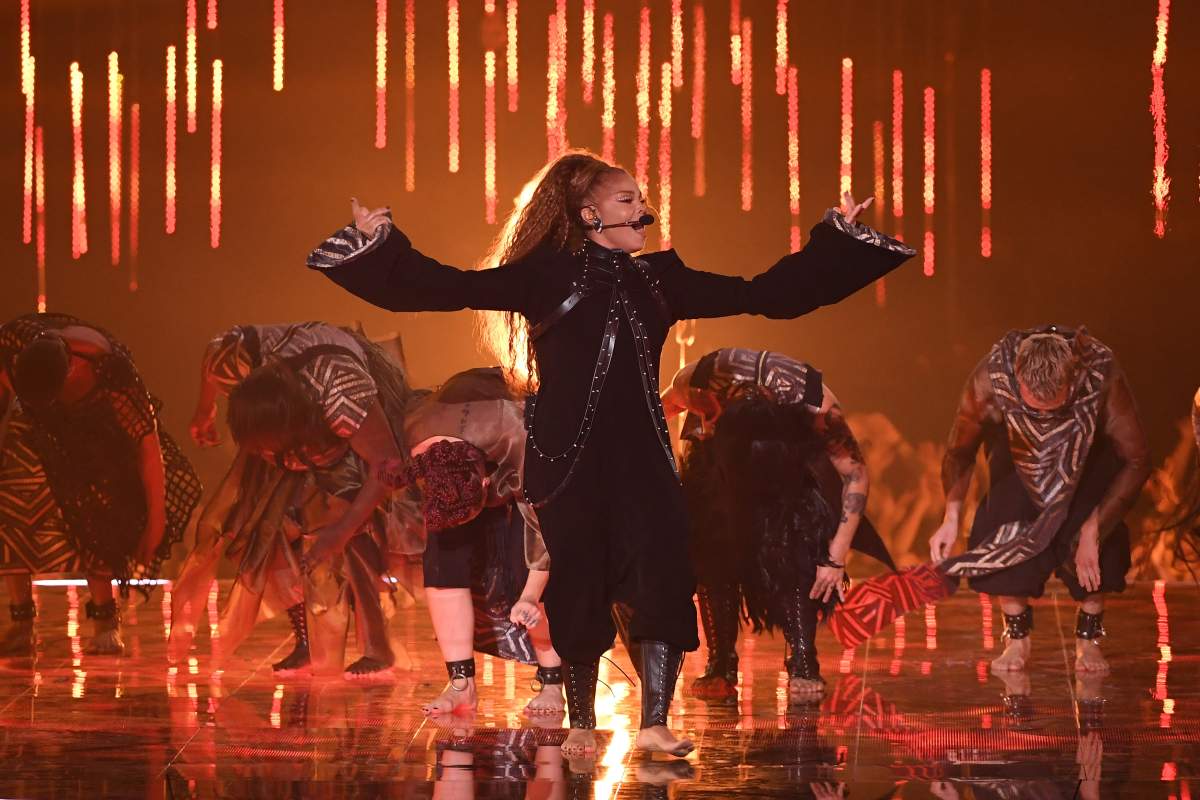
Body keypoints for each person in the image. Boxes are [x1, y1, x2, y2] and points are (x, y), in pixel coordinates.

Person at [305, 150, 913, 758]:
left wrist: (837, 241)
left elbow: (769, 294)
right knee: (577, 587)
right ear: (587, 210)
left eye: (642, 199)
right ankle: (580, 723)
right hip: (566, 462)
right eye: (628, 200)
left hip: (644, 462)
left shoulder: (661, 279)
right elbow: (445, 286)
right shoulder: (541, 276)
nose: (644, 210)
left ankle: (654, 723)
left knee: (663, 581)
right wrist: (377, 242)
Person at [174, 322, 417, 678]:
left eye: (274, 453)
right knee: (269, 526)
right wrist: (204, 410)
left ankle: (377, 646)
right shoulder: (236, 364)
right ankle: (305, 638)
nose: (274, 462)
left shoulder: (343, 395)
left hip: (349, 421)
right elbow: (214, 354)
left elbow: (387, 465)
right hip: (289, 412)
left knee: (353, 530)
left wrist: (340, 531)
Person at [662, 348, 892, 702]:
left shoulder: (816, 405)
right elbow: (655, 411)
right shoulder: (697, 383)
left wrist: (836, 556)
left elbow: (856, 474)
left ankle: (802, 658)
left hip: (788, 483)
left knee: (794, 546)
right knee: (712, 549)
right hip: (718, 473)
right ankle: (721, 661)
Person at [924, 326, 1150, 674]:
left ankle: (1088, 640)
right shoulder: (991, 377)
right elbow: (960, 451)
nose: (1044, 416)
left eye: (1053, 405)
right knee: (1003, 524)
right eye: (1036, 406)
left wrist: (1094, 527)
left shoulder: (1100, 372)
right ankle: (1017, 638)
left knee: (1097, 544)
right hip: (1017, 457)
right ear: (1017, 379)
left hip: (1084, 457)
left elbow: (1137, 459)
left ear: (1072, 379)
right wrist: (951, 517)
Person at [0, 313, 201, 656]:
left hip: (93, 433)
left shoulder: (112, 374)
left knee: (99, 506)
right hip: (32, 426)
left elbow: (147, 451)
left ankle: (106, 622)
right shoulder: (13, 347)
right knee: (14, 496)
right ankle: (21, 623)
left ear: (71, 373)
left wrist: (156, 521)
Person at [386, 366, 564, 717]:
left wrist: (529, 595)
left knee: (523, 568)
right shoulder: (416, 442)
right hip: (458, 453)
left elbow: (541, 533)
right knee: (440, 562)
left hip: (519, 456)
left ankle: (553, 683)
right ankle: (460, 685)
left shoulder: (514, 432)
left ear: (484, 483)